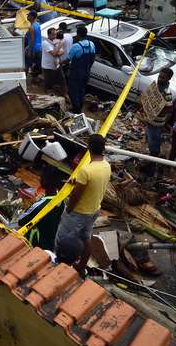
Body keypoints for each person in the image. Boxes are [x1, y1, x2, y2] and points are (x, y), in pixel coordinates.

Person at [55, 134, 111, 275]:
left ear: (89, 148)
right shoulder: (106, 165)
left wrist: (68, 209)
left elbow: (76, 196)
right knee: (86, 238)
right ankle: (81, 266)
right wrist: (79, 183)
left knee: (63, 241)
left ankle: (60, 270)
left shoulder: (86, 170)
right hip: (94, 210)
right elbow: (93, 184)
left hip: (79, 212)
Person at [20, 167, 66, 251]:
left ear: (45, 182)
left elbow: (21, 221)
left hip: (37, 243)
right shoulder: (61, 200)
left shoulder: (40, 206)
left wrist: (28, 207)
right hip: (50, 243)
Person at [141, 68, 174, 164]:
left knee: (154, 143)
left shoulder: (166, 92)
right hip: (150, 120)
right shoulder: (156, 87)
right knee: (149, 138)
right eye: (159, 76)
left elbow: (169, 109)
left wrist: (159, 112)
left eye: (163, 78)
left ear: (168, 79)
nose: (160, 79)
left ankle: (153, 161)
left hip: (156, 123)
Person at [66, 24, 96, 114]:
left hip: (76, 73)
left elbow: (68, 60)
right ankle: (80, 107)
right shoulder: (92, 45)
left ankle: (76, 110)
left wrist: (60, 63)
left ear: (78, 34)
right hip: (86, 72)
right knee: (82, 90)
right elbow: (92, 59)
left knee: (73, 91)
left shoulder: (76, 46)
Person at [26, 11, 43, 77]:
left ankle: (25, 79)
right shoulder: (37, 24)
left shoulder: (31, 27)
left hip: (34, 48)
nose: (27, 17)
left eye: (29, 15)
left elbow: (32, 39)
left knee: (27, 64)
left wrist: (30, 50)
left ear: (32, 17)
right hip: (39, 48)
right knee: (39, 65)